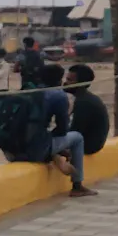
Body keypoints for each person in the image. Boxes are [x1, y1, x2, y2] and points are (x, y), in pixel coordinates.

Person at [35, 64, 93, 197]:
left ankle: (55, 156)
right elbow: (62, 129)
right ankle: (77, 185)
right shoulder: (58, 96)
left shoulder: (26, 90)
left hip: (12, 150)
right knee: (77, 138)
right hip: (35, 148)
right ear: (59, 80)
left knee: (45, 138)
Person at [62, 65, 111, 158]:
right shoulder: (84, 98)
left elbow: (76, 130)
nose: (65, 83)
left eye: (70, 80)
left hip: (89, 146)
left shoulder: (84, 102)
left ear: (81, 83)